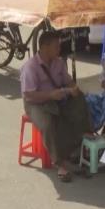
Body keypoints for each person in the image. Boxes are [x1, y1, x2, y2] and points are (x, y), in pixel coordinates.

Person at [20, 31, 92, 182]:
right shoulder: (30, 67)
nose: (59, 49)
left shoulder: (58, 63)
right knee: (47, 123)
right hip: (36, 102)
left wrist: (73, 89)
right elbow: (29, 95)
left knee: (79, 101)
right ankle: (60, 162)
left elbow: (68, 81)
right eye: (56, 46)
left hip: (57, 97)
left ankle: (79, 144)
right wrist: (50, 95)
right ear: (45, 47)